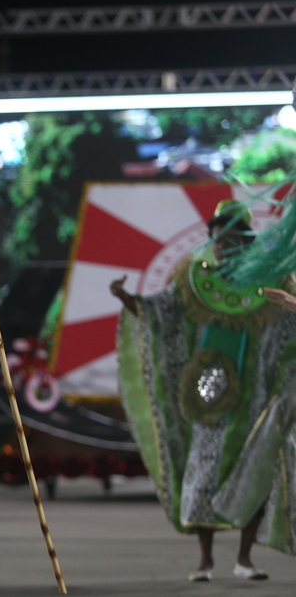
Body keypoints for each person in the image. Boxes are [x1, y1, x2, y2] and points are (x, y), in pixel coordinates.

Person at [112, 199, 296, 582]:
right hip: (207, 395)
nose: (227, 245)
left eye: (234, 238)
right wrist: (127, 300)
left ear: (246, 241)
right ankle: (205, 561)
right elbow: (162, 314)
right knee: (202, 475)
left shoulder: (272, 283)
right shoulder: (195, 280)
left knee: (253, 475)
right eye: (221, 238)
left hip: (255, 398)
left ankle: (244, 560)